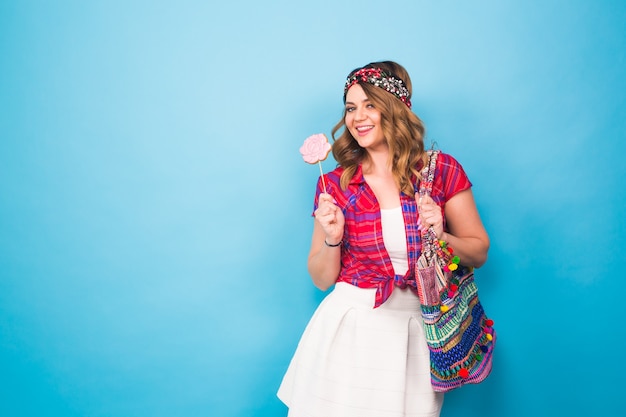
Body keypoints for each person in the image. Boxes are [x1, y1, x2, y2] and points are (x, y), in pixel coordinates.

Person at [277, 61, 490, 417]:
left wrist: (441, 236)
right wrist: (333, 238)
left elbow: (479, 251)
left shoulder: (440, 171)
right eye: (350, 107)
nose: (358, 116)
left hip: (415, 332)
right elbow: (321, 278)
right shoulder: (334, 185)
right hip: (348, 328)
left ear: (396, 107)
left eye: (370, 104)